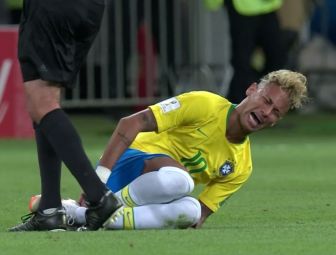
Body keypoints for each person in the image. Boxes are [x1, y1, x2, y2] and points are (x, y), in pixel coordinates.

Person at [29, 69, 307, 230]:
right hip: (128, 163)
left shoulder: (241, 167)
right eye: (266, 100)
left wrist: (181, 217)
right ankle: (97, 206)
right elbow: (131, 123)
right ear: (251, 90)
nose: (266, 112)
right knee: (181, 181)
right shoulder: (206, 104)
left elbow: (200, 215)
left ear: (277, 121)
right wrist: (97, 184)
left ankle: (81, 215)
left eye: (275, 111)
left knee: (189, 209)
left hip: (156, 190)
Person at [9, 0, 122, 232]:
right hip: (88, 9)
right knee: (42, 102)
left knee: (43, 103)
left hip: (52, 7)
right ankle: (49, 210)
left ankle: (99, 197)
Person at [225, 0, 286, 104]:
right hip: (241, 7)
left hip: (267, 6)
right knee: (242, 61)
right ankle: (238, 105)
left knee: (277, 55)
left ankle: (263, 97)